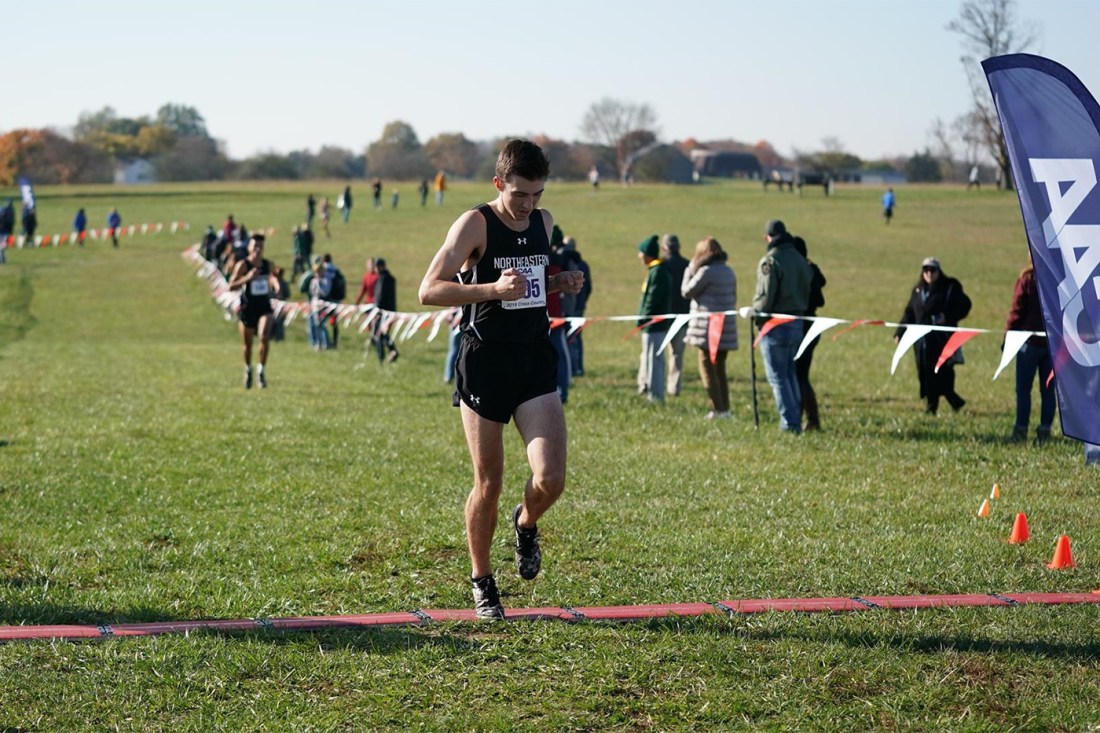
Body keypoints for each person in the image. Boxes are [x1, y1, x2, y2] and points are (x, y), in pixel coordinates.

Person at [417, 139, 584, 620]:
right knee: (488, 483)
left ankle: (526, 521)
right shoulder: (475, 223)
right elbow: (429, 290)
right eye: (520, 195)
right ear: (498, 183)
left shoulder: (543, 223)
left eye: (537, 194)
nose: (529, 205)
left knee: (550, 479)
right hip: (485, 362)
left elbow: (526, 287)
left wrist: (558, 283)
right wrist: (489, 288)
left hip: (534, 360)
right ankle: (482, 580)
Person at [751, 220, 812, 433]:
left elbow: (766, 296)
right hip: (797, 322)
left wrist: (756, 317)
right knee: (790, 374)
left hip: (775, 325)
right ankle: (795, 417)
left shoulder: (770, 261)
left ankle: (789, 423)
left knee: (778, 377)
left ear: (768, 237)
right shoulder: (799, 258)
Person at [894, 257, 972, 415]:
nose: (929, 273)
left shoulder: (950, 287)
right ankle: (946, 401)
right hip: (921, 342)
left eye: (932, 270)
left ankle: (940, 403)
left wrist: (947, 317)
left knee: (942, 372)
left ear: (939, 271)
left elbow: (965, 305)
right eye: (926, 270)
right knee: (925, 371)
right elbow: (909, 312)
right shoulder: (918, 290)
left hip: (941, 339)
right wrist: (900, 332)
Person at [681, 237, 738, 419]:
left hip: (708, 329)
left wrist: (689, 270)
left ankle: (717, 409)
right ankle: (725, 409)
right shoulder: (728, 271)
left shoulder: (706, 271)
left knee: (707, 368)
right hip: (726, 328)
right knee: (720, 369)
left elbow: (686, 291)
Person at [1005, 263, 1055, 443]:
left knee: (1024, 389)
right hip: (1051, 345)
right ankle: (1045, 430)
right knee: (1048, 391)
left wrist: (1008, 337)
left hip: (1029, 345)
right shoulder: (1056, 279)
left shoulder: (1026, 279)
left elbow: (1016, 311)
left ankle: (1021, 429)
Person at [227, 234, 279, 388]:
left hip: (264, 306)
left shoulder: (267, 264)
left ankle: (261, 371)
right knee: (247, 345)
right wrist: (247, 278)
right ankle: (248, 369)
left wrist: (277, 285)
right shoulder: (243, 265)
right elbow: (231, 286)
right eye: (255, 246)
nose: (258, 249)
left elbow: (273, 277)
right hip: (248, 307)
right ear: (249, 247)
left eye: (261, 246)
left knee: (264, 336)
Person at [793, 236, 827, 431]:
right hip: (812, 325)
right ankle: (809, 418)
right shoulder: (810, 269)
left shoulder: (801, 271)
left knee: (799, 375)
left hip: (804, 326)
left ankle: (810, 419)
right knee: (800, 375)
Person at [636, 234, 673, 403]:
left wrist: (643, 318)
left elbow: (652, 298)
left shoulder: (657, 272)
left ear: (647, 254)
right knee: (649, 358)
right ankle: (648, 389)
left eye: (641, 253)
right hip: (650, 325)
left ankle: (656, 395)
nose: (639, 256)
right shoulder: (654, 270)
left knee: (654, 360)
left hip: (654, 325)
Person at [661, 234, 690, 397]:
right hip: (682, 317)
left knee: (657, 352)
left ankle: (653, 384)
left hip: (663, 316)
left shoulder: (661, 265)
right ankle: (674, 387)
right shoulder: (687, 265)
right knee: (677, 355)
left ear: (664, 248)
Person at [561, 237, 591, 377]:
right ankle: (579, 367)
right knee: (577, 337)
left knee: (568, 337)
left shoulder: (564, 260)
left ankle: (572, 368)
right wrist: (583, 301)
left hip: (568, 306)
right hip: (580, 305)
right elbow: (589, 286)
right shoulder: (583, 263)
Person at [372, 258, 400, 364]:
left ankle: (381, 358)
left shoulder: (382, 279)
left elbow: (379, 297)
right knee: (384, 333)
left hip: (382, 312)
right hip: (390, 311)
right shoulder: (390, 278)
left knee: (378, 334)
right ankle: (392, 351)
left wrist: (377, 312)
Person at [305, 258, 331, 350]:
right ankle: (318, 343)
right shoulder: (314, 280)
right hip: (315, 305)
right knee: (316, 324)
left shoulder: (325, 280)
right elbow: (312, 292)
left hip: (323, 304)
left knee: (322, 325)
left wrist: (319, 284)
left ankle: (326, 343)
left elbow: (325, 292)